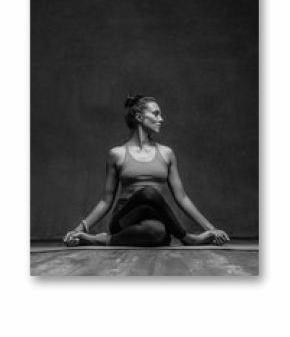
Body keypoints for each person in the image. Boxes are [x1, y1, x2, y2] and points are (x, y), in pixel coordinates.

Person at [63, 95, 230, 247]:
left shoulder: (167, 153)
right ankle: (188, 238)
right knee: (148, 193)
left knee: (158, 234)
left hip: (154, 218)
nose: (161, 119)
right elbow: (106, 201)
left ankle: (100, 240)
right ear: (139, 117)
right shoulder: (117, 154)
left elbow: (182, 198)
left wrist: (211, 228)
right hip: (123, 220)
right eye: (156, 114)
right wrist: (80, 228)